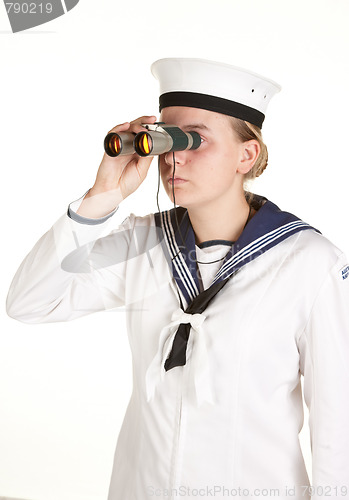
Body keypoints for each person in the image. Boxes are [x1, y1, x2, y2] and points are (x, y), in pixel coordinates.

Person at [6, 58, 349, 500]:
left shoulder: (309, 262)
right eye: (166, 140)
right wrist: (102, 195)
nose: (174, 157)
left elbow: (338, 421)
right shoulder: (142, 243)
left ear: (248, 154)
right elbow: (29, 302)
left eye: (196, 140)